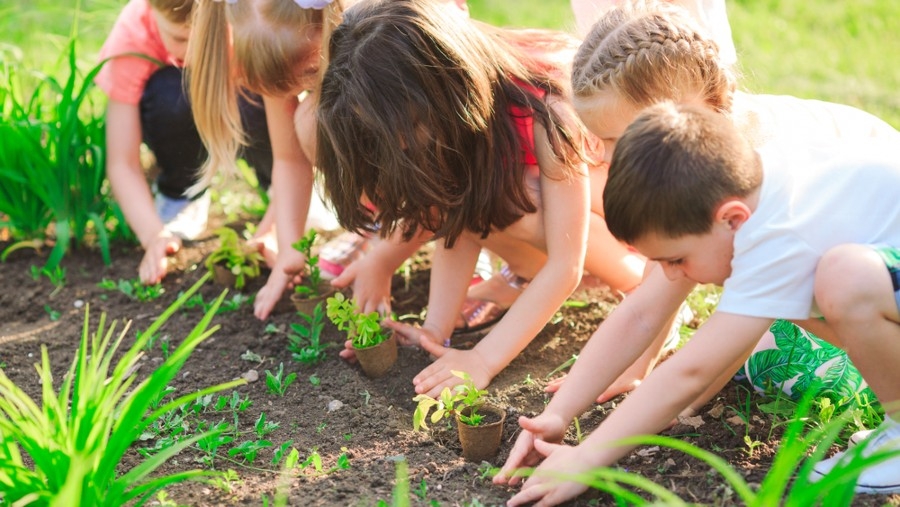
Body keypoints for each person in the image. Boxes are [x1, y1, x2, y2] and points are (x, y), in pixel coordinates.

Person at [502, 101, 900, 505]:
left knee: (843, 278)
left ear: (732, 219)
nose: (672, 275)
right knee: (805, 291)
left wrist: (588, 457)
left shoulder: (779, 234)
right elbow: (641, 314)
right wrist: (559, 413)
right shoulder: (741, 189)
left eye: (676, 260)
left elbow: (691, 371)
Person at [542, 0, 897, 405]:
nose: (603, 157)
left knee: (781, 366)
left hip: (877, 262)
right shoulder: (701, 148)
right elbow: (654, 296)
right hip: (851, 261)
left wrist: (690, 398)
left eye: (612, 140)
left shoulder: (742, 163)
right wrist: (635, 369)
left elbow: (746, 311)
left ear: (675, 117)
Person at [315, 0, 646, 397]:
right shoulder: (457, 109)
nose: (401, 146)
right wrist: (435, 331)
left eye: (409, 132)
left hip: (631, 211)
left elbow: (564, 265)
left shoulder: (548, 109)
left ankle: (638, 283)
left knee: (519, 197)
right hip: (565, 209)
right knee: (481, 192)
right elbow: (458, 220)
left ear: (446, 88)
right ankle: (523, 276)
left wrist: (483, 359)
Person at [189, 0, 472, 321]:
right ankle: (383, 222)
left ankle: (466, 237)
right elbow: (289, 159)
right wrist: (290, 248)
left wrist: (383, 263)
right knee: (312, 121)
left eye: (310, 76)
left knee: (325, 121)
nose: (305, 90)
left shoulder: (382, 37)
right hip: (368, 84)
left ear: (330, 27)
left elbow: (442, 168)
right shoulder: (274, 34)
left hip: (450, 122)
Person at [97, 0, 274, 285]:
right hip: (176, 104)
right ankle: (182, 193)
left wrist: (277, 226)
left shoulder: (252, 17)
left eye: (205, 38)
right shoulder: (134, 34)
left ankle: (281, 191)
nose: (194, 52)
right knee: (172, 95)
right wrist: (153, 235)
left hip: (246, 98)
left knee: (256, 99)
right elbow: (122, 162)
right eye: (180, 38)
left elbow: (291, 138)